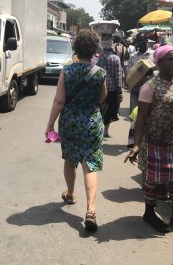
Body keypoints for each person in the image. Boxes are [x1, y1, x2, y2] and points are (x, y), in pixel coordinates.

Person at [124, 45, 173, 236]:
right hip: (153, 142)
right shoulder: (149, 87)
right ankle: (149, 213)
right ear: (158, 63)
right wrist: (136, 145)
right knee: (152, 181)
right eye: (170, 59)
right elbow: (141, 118)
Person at [45, 29, 107, 232]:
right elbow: (101, 98)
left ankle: (70, 193)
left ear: (75, 48)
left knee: (70, 160)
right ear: (94, 51)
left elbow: (59, 100)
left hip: (70, 122)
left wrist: (50, 125)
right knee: (89, 164)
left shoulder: (67, 70)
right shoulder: (100, 72)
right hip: (91, 122)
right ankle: (91, 210)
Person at [98, 34, 123, 137]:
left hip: (98, 87)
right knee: (109, 111)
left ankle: (97, 129)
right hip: (112, 89)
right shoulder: (116, 58)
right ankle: (105, 132)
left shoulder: (96, 57)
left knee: (98, 109)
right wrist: (120, 91)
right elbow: (118, 75)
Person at [127, 32, 154, 113]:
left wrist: (152, 72)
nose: (140, 43)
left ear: (146, 41)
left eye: (142, 40)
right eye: (138, 41)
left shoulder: (154, 54)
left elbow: (159, 70)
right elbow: (129, 72)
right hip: (136, 89)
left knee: (149, 114)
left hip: (150, 89)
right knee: (134, 114)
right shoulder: (133, 56)